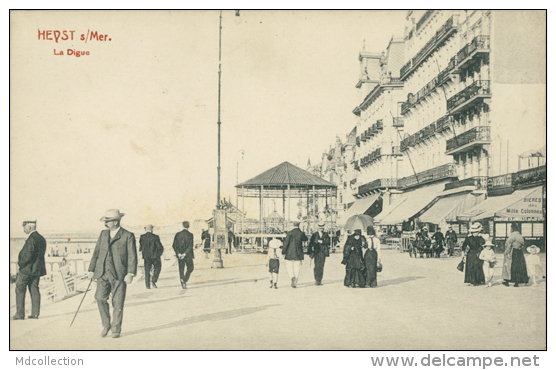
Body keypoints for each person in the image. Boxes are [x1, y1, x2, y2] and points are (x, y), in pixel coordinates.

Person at [88, 209, 137, 338]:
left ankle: (116, 329)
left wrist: (130, 273)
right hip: (102, 273)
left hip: (119, 274)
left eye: (108, 221)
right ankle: (106, 324)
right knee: (99, 298)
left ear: (115, 222)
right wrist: (91, 270)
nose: (105, 223)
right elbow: (96, 252)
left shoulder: (128, 235)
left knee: (118, 302)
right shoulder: (103, 234)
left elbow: (132, 256)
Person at [13, 220, 47, 320]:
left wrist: (20, 264)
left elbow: (27, 255)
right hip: (37, 270)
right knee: (34, 290)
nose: (23, 229)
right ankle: (35, 313)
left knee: (20, 288)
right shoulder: (41, 239)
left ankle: (20, 314)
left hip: (27, 270)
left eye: (24, 227)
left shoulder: (31, 239)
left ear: (29, 227)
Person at [501, 223, 528, 287]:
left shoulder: (512, 235)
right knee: (519, 266)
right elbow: (522, 244)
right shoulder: (520, 235)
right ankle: (518, 281)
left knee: (510, 266)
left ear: (512, 229)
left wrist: (506, 252)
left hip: (513, 252)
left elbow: (509, 244)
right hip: (519, 252)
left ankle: (508, 280)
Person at [282, 221, 307, 288]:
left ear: (293, 225)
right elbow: (306, 239)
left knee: (288, 266)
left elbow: (286, 243)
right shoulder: (301, 233)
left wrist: (283, 252)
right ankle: (295, 280)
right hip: (298, 253)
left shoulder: (289, 233)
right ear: (299, 225)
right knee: (297, 267)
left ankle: (292, 277)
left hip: (289, 252)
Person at [139, 224, 164, 289]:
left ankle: (147, 285)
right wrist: (159, 254)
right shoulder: (155, 237)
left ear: (145, 229)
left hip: (146, 257)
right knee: (158, 268)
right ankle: (153, 280)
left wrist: (143, 253)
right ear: (152, 229)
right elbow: (160, 247)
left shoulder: (142, 237)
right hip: (155, 257)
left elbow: (140, 247)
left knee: (147, 270)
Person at [172, 221, 194, 289]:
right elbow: (190, 246)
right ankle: (185, 279)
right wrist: (185, 254)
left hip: (179, 255)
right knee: (190, 267)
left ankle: (182, 283)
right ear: (189, 226)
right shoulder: (190, 235)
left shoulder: (178, 234)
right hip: (188, 255)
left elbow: (174, 245)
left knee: (181, 269)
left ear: (182, 226)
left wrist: (178, 253)